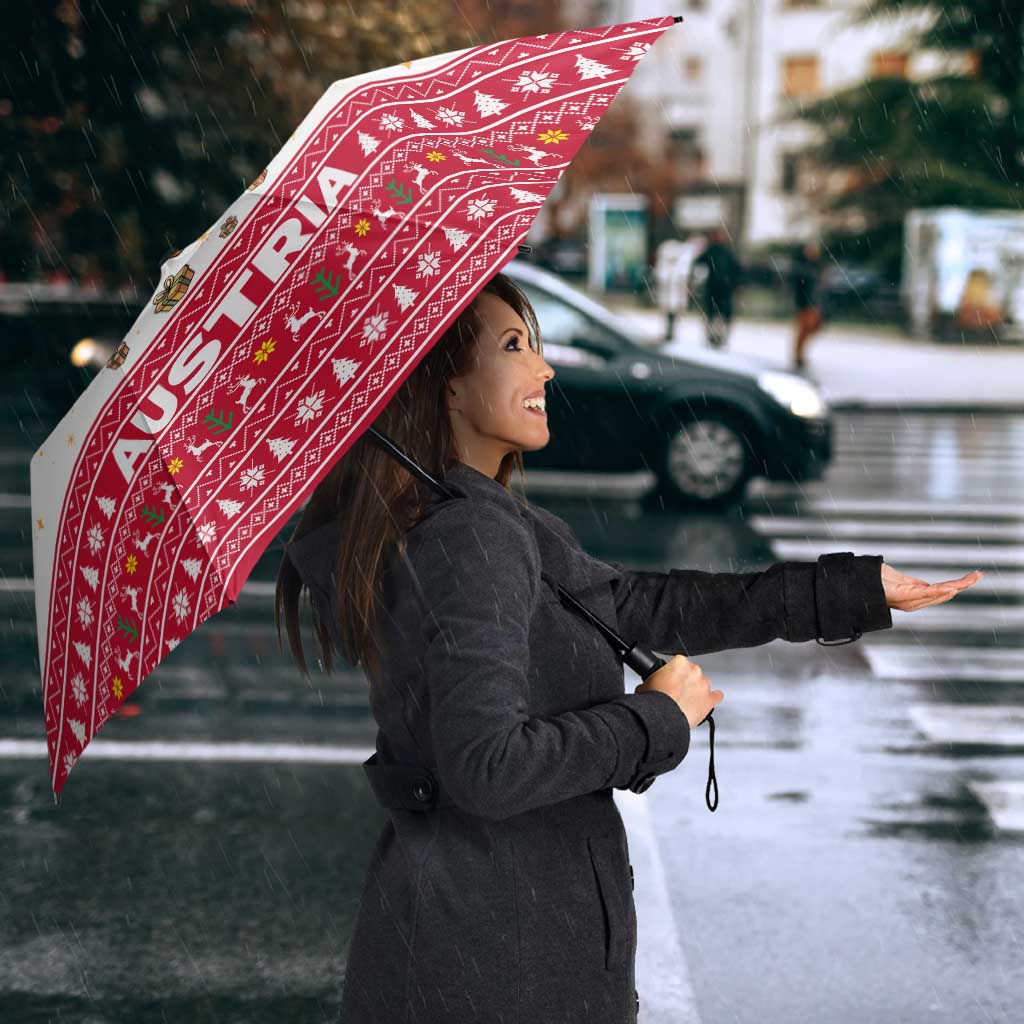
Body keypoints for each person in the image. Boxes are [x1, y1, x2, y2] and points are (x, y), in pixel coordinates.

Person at [276, 271, 975, 1024]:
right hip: (500, 962)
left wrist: (850, 591)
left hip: (481, 940)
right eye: (514, 346)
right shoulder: (469, 537)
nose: (544, 368)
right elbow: (487, 768)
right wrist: (656, 719)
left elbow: (638, 605)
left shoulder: (475, 517)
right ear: (445, 386)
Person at [692, 226, 742, 349]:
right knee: (713, 314)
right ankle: (713, 337)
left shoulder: (725, 252)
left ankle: (719, 337)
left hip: (723, 288)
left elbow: (736, 270)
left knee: (720, 315)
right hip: (715, 288)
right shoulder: (712, 251)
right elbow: (698, 264)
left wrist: (735, 284)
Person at [790, 239, 826, 370]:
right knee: (804, 329)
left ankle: (799, 354)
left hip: (814, 303)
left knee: (812, 328)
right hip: (805, 303)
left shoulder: (817, 266)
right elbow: (799, 286)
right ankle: (798, 355)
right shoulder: (802, 267)